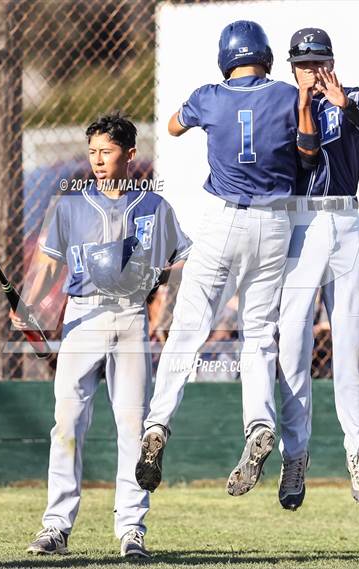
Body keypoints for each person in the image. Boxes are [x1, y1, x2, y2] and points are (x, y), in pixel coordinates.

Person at [135, 20, 318, 496]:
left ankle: (157, 425)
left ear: (226, 58)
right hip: (275, 222)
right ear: (265, 55)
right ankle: (259, 425)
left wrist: (206, 109)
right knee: (258, 333)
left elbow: (174, 125)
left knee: (188, 330)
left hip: (222, 219)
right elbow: (307, 146)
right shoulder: (284, 93)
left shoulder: (210, 96)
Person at [10, 113, 191, 558]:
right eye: (92, 152)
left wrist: (163, 296)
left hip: (131, 317)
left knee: (133, 424)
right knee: (67, 422)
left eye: (106, 151)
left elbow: (181, 259)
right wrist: (29, 303)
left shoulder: (155, 206)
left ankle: (132, 529)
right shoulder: (69, 205)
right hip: (83, 317)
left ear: (130, 154)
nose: (97, 159)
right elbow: (49, 263)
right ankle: (55, 526)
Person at [277, 29, 359, 511]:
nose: (313, 71)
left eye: (319, 62)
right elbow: (302, 155)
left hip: (344, 216)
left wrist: (345, 104)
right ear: (292, 67)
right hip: (302, 220)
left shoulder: (354, 96)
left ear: (332, 61)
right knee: (293, 341)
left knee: (350, 342)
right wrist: (304, 105)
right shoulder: (283, 104)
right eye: (304, 64)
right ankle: (294, 456)